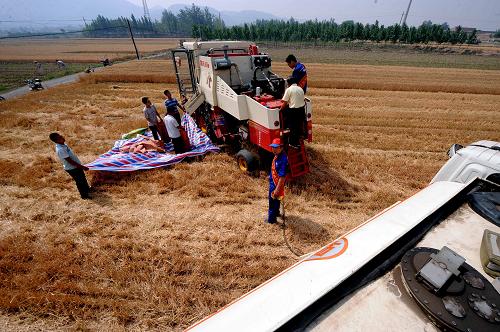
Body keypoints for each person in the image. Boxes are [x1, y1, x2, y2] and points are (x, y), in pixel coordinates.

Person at [49, 132, 91, 199]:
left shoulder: (63, 145)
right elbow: (70, 161)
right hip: (72, 168)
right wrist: (82, 167)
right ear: (56, 141)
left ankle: (87, 189)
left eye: (61, 136)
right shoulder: (61, 149)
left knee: (83, 178)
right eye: (60, 138)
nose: (62, 137)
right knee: (79, 181)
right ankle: (84, 195)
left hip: (76, 166)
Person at [267, 138, 288, 224]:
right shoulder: (277, 156)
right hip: (274, 183)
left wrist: (277, 190)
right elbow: (274, 169)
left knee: (272, 202)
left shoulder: (282, 160)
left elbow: (282, 177)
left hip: (276, 185)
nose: (274, 149)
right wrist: (270, 176)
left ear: (281, 148)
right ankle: (276, 213)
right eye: (273, 147)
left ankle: (271, 220)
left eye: (276, 147)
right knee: (276, 201)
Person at [280, 77, 305, 148]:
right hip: (301, 110)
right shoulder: (300, 89)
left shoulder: (289, 89)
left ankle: (292, 143)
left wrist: (280, 110)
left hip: (294, 111)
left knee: (293, 127)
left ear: (289, 83)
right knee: (298, 126)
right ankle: (298, 140)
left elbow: (284, 102)